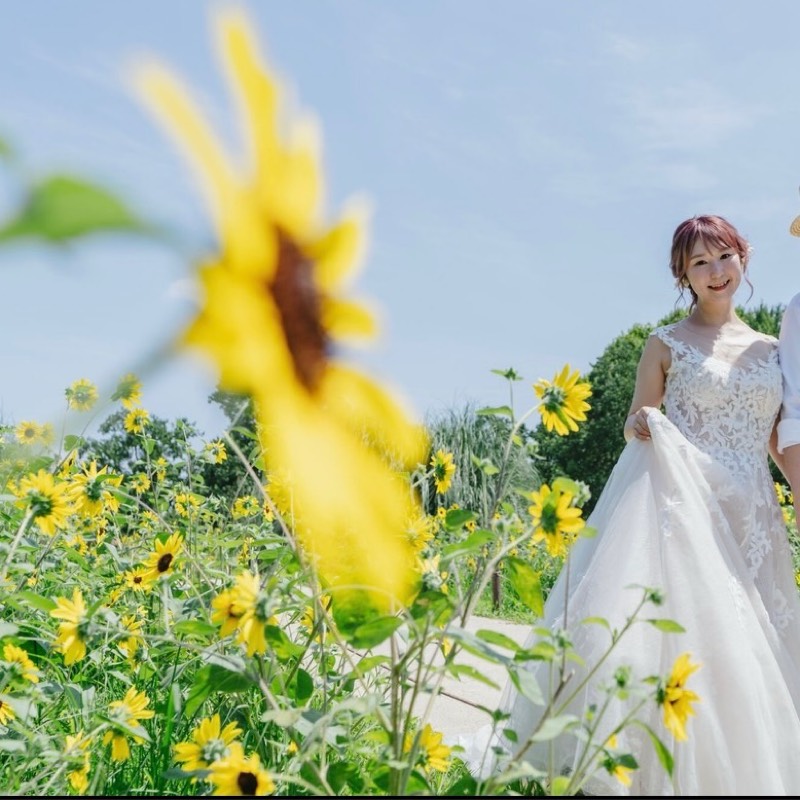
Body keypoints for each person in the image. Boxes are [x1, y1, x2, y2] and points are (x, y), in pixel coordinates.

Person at [459, 215, 800, 795]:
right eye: (699, 263)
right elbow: (637, 418)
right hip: (688, 503)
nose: (715, 272)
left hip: (754, 514)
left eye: (724, 257)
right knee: (695, 633)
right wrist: (640, 420)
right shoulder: (664, 343)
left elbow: (777, 437)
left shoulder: (771, 351)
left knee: (753, 642)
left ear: (744, 258)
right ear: (683, 275)